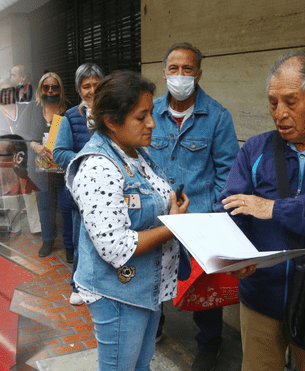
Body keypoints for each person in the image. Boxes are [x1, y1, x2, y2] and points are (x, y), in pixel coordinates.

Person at [217, 51, 305, 371]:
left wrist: (277, 209)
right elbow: (230, 208)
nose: (279, 113)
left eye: (290, 101)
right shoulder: (255, 149)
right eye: (272, 102)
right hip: (262, 295)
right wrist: (235, 257)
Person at [65, 70, 189, 371]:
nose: (151, 123)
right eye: (141, 117)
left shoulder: (136, 154)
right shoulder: (98, 167)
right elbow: (116, 247)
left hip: (144, 288)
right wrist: (172, 226)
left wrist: (172, 204)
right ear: (111, 121)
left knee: (140, 366)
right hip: (117, 294)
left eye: (151, 114)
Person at [147, 42, 240, 370]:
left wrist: (212, 218)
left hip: (200, 217)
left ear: (198, 73)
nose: (181, 75)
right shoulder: (150, 113)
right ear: (164, 72)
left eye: (188, 69)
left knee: (204, 284)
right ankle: (153, 329)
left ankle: (210, 343)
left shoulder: (217, 116)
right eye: (174, 68)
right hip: (157, 216)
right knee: (155, 276)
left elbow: (227, 173)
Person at [53, 62, 105, 305]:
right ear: (79, 89)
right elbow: (59, 152)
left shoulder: (112, 113)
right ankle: (77, 285)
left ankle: (100, 285)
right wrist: (86, 160)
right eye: (86, 86)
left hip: (107, 191)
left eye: (96, 84)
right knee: (80, 240)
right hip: (80, 193)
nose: (92, 90)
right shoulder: (70, 117)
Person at [28, 72, 70, 258]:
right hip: (41, 170)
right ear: (40, 89)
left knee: (67, 206)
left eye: (54, 87)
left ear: (60, 89)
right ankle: (47, 241)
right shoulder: (33, 109)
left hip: (64, 169)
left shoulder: (68, 109)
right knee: (45, 206)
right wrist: (36, 146)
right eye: (46, 87)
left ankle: (70, 245)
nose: (50, 90)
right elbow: (23, 135)